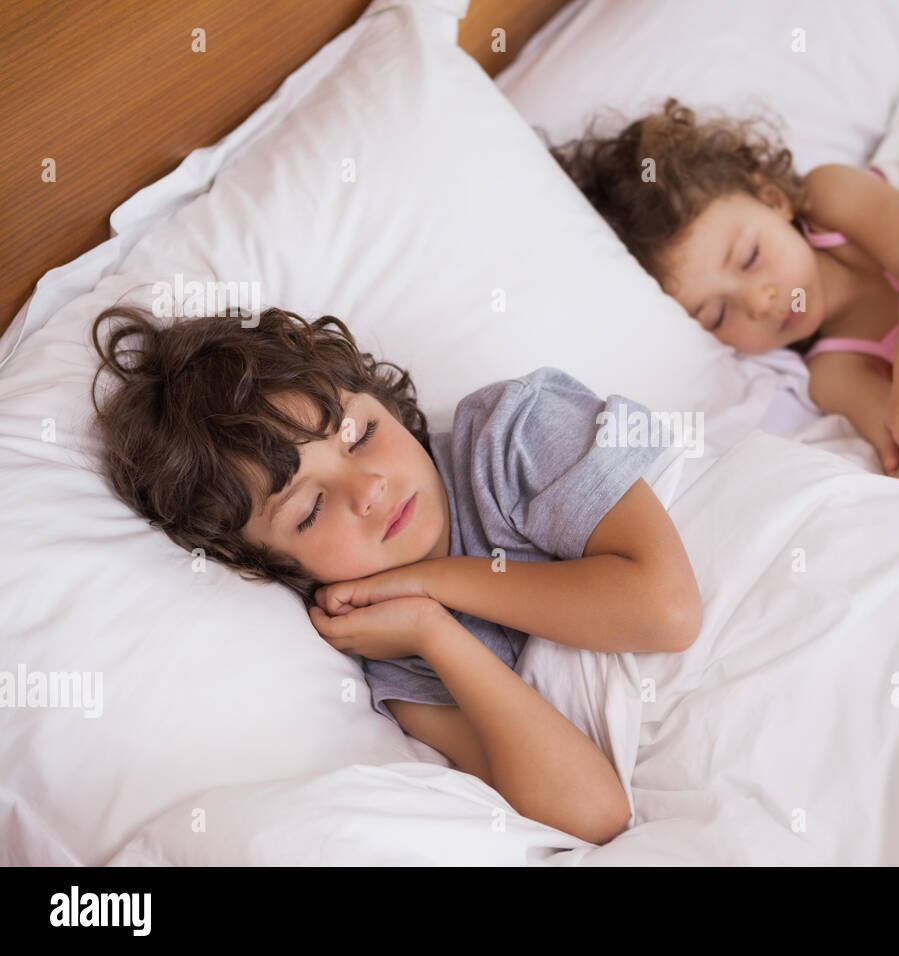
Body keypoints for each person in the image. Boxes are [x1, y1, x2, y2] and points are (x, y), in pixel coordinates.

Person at [90, 304, 702, 846]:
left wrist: (439, 583)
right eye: (311, 508)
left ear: (382, 402)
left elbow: (668, 611)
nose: (369, 488)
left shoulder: (511, 436)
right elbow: (593, 816)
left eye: (361, 435)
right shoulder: (397, 651)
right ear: (273, 567)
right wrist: (433, 631)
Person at [550, 98, 899, 505]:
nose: (758, 302)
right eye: (717, 313)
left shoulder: (832, 196)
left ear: (773, 200)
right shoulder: (835, 372)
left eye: (750, 258)